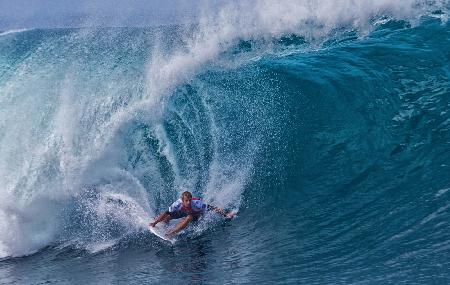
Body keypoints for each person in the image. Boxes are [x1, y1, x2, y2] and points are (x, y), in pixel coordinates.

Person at [149, 191, 236, 238]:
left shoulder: (197, 204)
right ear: (182, 200)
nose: (188, 202)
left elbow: (213, 208)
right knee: (167, 216)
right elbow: (166, 212)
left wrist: (226, 215)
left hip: (196, 215)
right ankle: (163, 223)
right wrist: (155, 223)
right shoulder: (177, 204)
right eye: (186, 201)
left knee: (189, 217)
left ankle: (171, 233)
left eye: (190, 200)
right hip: (185, 212)